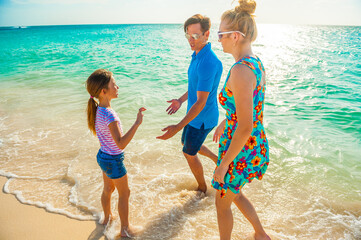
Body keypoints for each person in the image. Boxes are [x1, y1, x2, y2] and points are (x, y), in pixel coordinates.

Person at [211, 0, 271, 239]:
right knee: (233, 194)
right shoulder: (255, 64)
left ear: (235, 36)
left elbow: (246, 125)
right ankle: (260, 234)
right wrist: (228, 120)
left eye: (221, 34)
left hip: (241, 147)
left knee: (222, 204)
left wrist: (224, 163)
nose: (219, 39)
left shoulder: (240, 70)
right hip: (249, 144)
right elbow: (250, 108)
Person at [157, 14, 223, 193]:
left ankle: (202, 189)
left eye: (195, 35)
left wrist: (177, 126)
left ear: (206, 34)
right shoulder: (197, 55)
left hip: (202, 118)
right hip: (194, 116)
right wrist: (180, 100)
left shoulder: (207, 62)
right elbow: (195, 87)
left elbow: (201, 102)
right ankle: (218, 159)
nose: (190, 40)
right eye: (188, 36)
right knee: (187, 144)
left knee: (189, 152)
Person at [86, 69, 146, 238]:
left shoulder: (98, 110)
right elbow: (120, 144)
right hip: (113, 159)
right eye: (114, 85)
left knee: (107, 189)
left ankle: (106, 218)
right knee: (124, 193)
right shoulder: (110, 115)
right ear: (103, 91)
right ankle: (125, 229)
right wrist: (136, 124)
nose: (117, 87)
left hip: (103, 156)